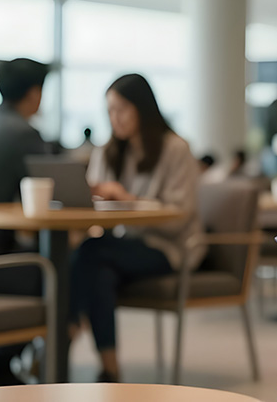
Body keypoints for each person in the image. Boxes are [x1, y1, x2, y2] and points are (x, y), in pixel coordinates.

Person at [70, 74, 203, 383]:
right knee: (98, 272)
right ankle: (111, 370)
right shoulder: (107, 152)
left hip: (168, 248)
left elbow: (179, 218)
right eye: (110, 111)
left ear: (143, 108)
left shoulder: (176, 149)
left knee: (91, 252)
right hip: (118, 248)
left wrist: (127, 200)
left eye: (122, 109)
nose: (115, 118)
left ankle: (69, 326)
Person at [0, 58, 50, 385]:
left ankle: (0, 368)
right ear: (35, 93)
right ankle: (0, 369)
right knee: (61, 274)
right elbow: (55, 193)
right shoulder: (23, 133)